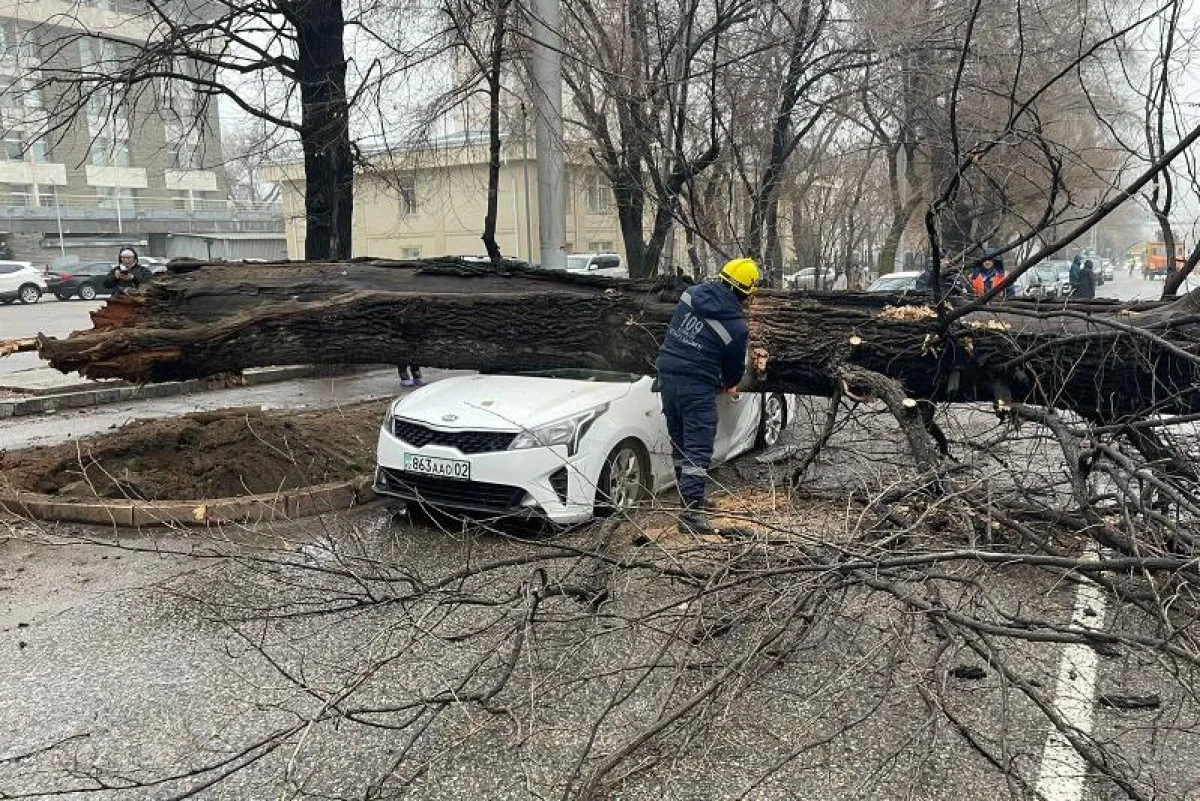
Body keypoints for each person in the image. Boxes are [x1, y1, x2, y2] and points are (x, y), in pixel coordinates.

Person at [656, 257, 758, 535]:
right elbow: (734, 369)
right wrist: (730, 383)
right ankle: (690, 515)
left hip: (666, 375)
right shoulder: (736, 327)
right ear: (746, 292)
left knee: (680, 444)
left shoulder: (690, 295)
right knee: (697, 450)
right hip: (696, 386)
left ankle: (691, 499)